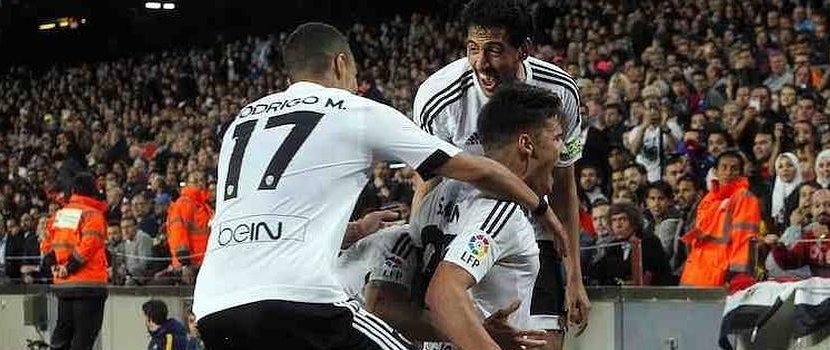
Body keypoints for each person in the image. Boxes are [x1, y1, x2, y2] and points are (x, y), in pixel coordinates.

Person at [193, 22, 566, 350]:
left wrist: (355, 229)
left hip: (215, 307)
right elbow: (477, 169)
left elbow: (267, 221)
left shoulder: (242, 122)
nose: (356, 84)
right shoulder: (353, 110)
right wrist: (541, 208)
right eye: (355, 74)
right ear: (341, 64)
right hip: (302, 301)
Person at [411, 0, 591, 334]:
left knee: (539, 341)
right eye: (472, 48)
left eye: (494, 50)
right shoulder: (438, 97)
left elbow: (565, 183)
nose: (481, 63)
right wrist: (419, 255)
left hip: (538, 236)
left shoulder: (560, 91)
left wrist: (574, 277)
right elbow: (427, 183)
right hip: (467, 235)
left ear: (523, 49)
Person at [367, 84, 563, 350]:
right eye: (557, 138)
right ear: (526, 144)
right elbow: (443, 294)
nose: (562, 148)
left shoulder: (436, 197)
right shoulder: (501, 212)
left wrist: (465, 329)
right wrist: (481, 337)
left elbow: (384, 305)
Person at [40, 173, 109, 350]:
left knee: (63, 335)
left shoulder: (60, 215)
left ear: (72, 191)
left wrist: (55, 267)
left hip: (64, 286)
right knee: (84, 338)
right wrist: (70, 266)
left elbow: (47, 245)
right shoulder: (92, 214)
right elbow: (89, 244)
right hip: (89, 284)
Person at [681, 152, 761, 287]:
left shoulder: (744, 198)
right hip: (695, 270)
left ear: (741, 173)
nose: (728, 172)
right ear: (716, 172)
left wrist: (738, 273)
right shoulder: (708, 198)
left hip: (720, 274)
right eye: (724, 167)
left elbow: (744, 238)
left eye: (734, 168)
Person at [768, 189, 830, 277]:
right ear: (811, 211)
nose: (822, 210)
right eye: (817, 206)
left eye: (828, 205)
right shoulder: (810, 234)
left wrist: (827, 237)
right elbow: (790, 262)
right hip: (818, 287)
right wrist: (777, 247)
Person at [589, 203, 675, 286]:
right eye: (614, 220)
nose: (618, 225)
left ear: (634, 222)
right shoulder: (614, 245)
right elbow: (597, 270)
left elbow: (632, 269)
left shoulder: (648, 241)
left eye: (622, 219)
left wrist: (611, 268)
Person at [165, 171, 212, 284]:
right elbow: (178, 234)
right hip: (190, 266)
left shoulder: (205, 207)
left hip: (203, 264)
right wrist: (185, 263)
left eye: (202, 180)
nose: (199, 184)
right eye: (195, 181)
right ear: (187, 184)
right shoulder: (184, 203)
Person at [770, 153, 804, 227]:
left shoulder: (803, 191)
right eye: (780, 167)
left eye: (790, 165)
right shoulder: (772, 191)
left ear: (797, 168)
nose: (785, 169)